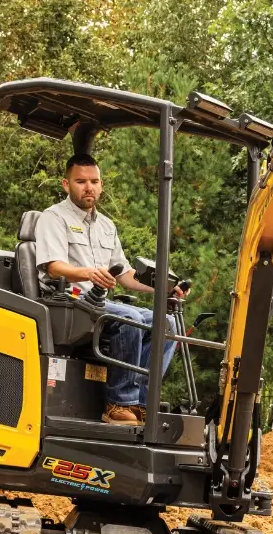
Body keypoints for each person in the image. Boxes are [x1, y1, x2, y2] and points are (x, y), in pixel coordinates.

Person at [34, 153, 187, 426]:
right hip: (68, 301)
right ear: (66, 184)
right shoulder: (53, 217)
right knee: (128, 318)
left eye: (93, 181)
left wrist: (164, 291)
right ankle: (118, 403)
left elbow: (126, 275)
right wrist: (88, 273)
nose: (88, 187)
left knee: (167, 323)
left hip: (98, 303)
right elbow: (54, 267)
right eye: (80, 181)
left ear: (101, 185)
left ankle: (140, 404)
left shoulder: (106, 226)